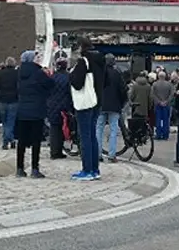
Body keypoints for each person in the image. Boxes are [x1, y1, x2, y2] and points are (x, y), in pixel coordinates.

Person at [69, 39, 105, 180]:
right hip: (98, 101)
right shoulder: (100, 60)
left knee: (84, 136)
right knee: (92, 136)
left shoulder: (84, 61)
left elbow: (77, 83)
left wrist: (70, 74)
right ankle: (95, 169)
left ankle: (87, 170)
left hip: (85, 102)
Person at [15, 50, 54, 178]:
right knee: (36, 141)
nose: (39, 58)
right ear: (32, 59)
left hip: (21, 109)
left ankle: (19, 168)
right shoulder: (39, 73)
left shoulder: (19, 72)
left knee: (21, 140)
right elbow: (51, 85)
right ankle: (34, 168)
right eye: (37, 57)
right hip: (37, 109)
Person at [97, 54, 127, 163]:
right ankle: (111, 155)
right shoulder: (117, 73)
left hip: (101, 105)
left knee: (98, 129)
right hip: (115, 105)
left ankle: (98, 154)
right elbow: (123, 89)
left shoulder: (99, 73)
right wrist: (122, 102)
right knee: (114, 130)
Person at [47, 54, 73, 159]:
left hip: (52, 105)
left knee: (54, 129)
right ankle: (59, 150)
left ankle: (54, 151)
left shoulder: (52, 77)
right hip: (64, 106)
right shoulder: (68, 77)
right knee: (63, 127)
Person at [0, 57, 19, 150]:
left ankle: (6, 141)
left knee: (4, 122)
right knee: (11, 121)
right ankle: (10, 139)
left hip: (2, 100)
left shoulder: (0, 74)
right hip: (14, 100)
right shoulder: (17, 74)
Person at [151, 70, 174, 140]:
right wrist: (166, 101)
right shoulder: (169, 84)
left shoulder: (155, 84)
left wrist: (159, 101)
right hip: (166, 105)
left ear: (158, 76)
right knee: (166, 120)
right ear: (165, 76)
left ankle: (158, 135)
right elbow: (172, 94)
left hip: (158, 105)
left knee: (158, 120)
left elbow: (152, 94)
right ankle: (165, 135)